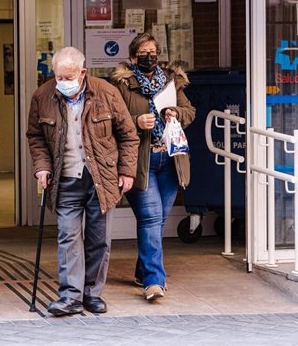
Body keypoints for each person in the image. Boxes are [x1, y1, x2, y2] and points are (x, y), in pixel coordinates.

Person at [26, 46, 139, 317]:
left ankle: (92, 293)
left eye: (68, 77)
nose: (63, 83)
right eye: (59, 77)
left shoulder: (106, 93)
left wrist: (127, 171)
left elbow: (128, 136)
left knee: (99, 240)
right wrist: (41, 167)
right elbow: (35, 136)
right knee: (68, 237)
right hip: (65, 178)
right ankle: (70, 296)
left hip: (101, 177)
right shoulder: (43, 95)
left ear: (82, 72)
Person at [110, 32, 196, 302]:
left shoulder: (171, 81)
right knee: (150, 217)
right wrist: (136, 121)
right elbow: (113, 120)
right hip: (140, 160)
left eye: (154, 51)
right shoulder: (123, 85)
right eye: (144, 52)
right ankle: (154, 281)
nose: (150, 56)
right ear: (134, 57)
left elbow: (190, 111)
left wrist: (176, 113)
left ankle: (143, 270)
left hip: (169, 159)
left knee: (157, 220)